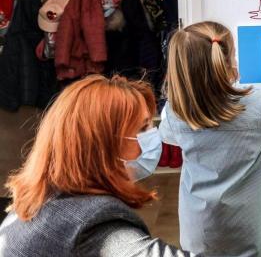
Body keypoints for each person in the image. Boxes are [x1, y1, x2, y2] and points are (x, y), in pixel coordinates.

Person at [0, 75, 196, 256]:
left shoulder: (40, 199)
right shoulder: (94, 224)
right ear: (103, 144)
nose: (154, 136)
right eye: (143, 128)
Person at [159, 21, 261, 256]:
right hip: (249, 230)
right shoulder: (253, 104)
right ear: (226, 61)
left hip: (200, 231)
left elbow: (171, 138)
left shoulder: (176, 109)